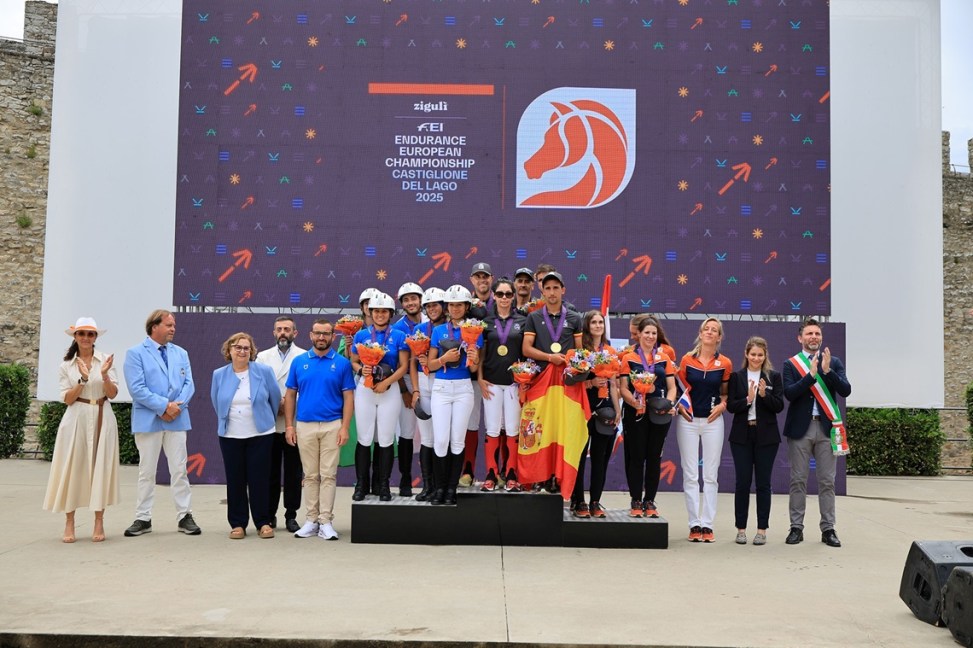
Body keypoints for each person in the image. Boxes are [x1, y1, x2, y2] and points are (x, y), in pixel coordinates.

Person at [122, 309, 201, 537]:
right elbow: (137, 388)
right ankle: (143, 517)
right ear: (154, 326)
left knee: (179, 469)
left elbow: (189, 385)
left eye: (173, 325)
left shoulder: (181, 353)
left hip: (177, 419)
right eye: (168, 325)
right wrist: (164, 407)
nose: (173, 329)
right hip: (149, 420)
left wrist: (176, 408)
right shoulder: (136, 353)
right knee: (147, 471)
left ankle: (185, 516)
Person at [43, 317, 120, 543]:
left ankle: (99, 520)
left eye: (90, 334)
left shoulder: (105, 360)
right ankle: (69, 522)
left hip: (102, 415)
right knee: (72, 468)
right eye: (82, 333)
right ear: (75, 337)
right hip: (76, 416)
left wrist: (104, 375)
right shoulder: (66, 365)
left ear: (95, 337)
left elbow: (113, 394)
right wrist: (83, 380)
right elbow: (67, 399)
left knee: (100, 467)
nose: (86, 338)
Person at [782, 317, 852, 548]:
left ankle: (828, 529)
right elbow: (789, 393)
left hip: (826, 428)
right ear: (800, 338)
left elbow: (846, 390)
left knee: (827, 481)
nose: (814, 337)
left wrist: (827, 371)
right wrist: (810, 376)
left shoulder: (833, 361)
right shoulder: (791, 364)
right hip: (800, 429)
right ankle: (796, 528)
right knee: (798, 480)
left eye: (817, 334)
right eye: (809, 333)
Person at [284, 319, 355, 540]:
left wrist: (345, 427)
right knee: (310, 475)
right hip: (305, 425)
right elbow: (290, 395)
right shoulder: (299, 361)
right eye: (317, 333)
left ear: (333, 336)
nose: (321, 337)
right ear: (310, 335)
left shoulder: (342, 363)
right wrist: (289, 426)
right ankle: (311, 520)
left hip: (333, 424)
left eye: (326, 334)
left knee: (328, 475)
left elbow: (348, 396)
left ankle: (325, 521)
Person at [519, 271, 588, 497]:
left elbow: (579, 352)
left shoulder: (575, 318)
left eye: (555, 288)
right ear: (542, 291)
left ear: (563, 290)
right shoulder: (534, 317)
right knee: (542, 427)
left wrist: (575, 365)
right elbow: (526, 349)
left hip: (566, 382)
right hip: (542, 380)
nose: (551, 292)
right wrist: (550, 357)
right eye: (547, 288)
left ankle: (558, 477)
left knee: (563, 428)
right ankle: (540, 476)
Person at [211, 332, 281, 539]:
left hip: (261, 434)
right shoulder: (219, 374)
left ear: (251, 351)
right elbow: (217, 402)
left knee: (260, 479)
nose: (242, 351)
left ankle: (263, 522)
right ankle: (238, 523)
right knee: (235, 480)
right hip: (230, 436)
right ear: (229, 350)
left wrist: (264, 420)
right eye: (238, 347)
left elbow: (275, 399)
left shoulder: (264, 371)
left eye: (246, 348)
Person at [675, 317, 732, 543]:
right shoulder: (687, 360)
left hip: (712, 422)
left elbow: (725, 393)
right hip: (688, 421)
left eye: (714, 330)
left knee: (710, 475)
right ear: (700, 333)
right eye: (706, 329)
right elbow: (679, 389)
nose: (709, 332)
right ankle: (694, 524)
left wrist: (723, 405)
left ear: (719, 337)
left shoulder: (725, 363)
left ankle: (707, 524)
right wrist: (680, 406)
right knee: (690, 474)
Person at [349, 292, 410, 501]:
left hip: (388, 390)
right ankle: (361, 485)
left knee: (385, 439)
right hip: (365, 390)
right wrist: (361, 370)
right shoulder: (361, 335)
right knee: (364, 438)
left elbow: (403, 366)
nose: (380, 314)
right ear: (370, 312)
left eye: (384, 311)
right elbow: (353, 361)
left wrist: (386, 382)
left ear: (391, 313)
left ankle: (384, 486)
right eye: (376, 311)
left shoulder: (399, 335)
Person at [725, 337, 784, 545]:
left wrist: (764, 395)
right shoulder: (737, 377)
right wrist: (748, 400)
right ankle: (741, 529)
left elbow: (779, 406)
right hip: (741, 436)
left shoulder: (773, 377)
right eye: (753, 354)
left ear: (765, 355)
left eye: (760, 355)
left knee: (763, 484)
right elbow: (731, 406)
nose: (756, 358)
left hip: (766, 437)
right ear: (746, 354)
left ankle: (761, 530)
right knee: (742, 483)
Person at [427, 284, 481, 505]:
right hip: (441, 388)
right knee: (441, 440)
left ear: (467, 307)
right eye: (451, 304)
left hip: (463, 389)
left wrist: (474, 357)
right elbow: (430, 365)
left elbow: (474, 369)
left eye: (459, 305)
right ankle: (439, 488)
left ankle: (451, 489)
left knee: (457, 441)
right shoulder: (439, 331)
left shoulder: (474, 330)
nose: (455, 308)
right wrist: (444, 359)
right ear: (447, 307)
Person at [618, 316, 676, 519]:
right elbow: (623, 388)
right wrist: (633, 402)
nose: (650, 336)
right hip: (635, 412)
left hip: (658, 413)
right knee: (636, 457)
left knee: (654, 457)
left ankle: (649, 500)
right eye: (647, 333)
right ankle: (636, 499)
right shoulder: (628, 358)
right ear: (639, 334)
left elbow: (672, 387)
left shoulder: (664, 358)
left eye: (653, 333)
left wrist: (668, 404)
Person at [569, 310, 622, 518]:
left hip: (605, 407)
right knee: (580, 456)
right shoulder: (580, 351)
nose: (598, 325)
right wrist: (590, 382)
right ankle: (579, 500)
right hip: (583, 406)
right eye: (594, 322)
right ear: (587, 326)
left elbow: (614, 384)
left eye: (601, 322)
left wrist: (617, 410)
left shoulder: (610, 351)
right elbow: (571, 382)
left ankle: (595, 501)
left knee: (600, 457)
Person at [255, 316, 305, 534]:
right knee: (270, 472)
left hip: (295, 423)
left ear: (295, 333)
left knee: (294, 472)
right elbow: (258, 387)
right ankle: (269, 514)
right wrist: (277, 404)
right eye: (279, 329)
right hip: (270, 421)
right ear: (274, 333)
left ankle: (291, 515)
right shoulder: (262, 357)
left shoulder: (304, 356)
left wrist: (289, 405)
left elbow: (307, 387)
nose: (283, 333)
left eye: (287, 329)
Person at [477, 278, 527, 491]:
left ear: (513, 296)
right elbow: (481, 353)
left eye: (508, 294)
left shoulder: (523, 321)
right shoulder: (486, 322)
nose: (504, 298)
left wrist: (525, 379)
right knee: (492, 429)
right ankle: (491, 473)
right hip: (491, 382)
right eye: (500, 294)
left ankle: (511, 473)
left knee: (513, 429)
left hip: (514, 383)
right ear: (494, 296)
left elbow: (525, 352)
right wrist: (480, 377)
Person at [410, 287, 446, 500]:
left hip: (444, 382)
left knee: (444, 438)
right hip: (423, 383)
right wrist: (415, 390)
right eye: (429, 306)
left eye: (436, 305)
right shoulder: (420, 329)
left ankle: (443, 486)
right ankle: (428, 486)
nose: (432, 309)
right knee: (427, 438)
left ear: (444, 307)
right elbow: (413, 363)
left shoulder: (452, 328)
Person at [392, 282, 425, 496]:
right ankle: (405, 479)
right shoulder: (397, 328)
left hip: (430, 380)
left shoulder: (432, 321)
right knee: (406, 433)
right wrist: (404, 390)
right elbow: (397, 363)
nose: (411, 303)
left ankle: (431, 481)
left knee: (431, 434)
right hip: (405, 380)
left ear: (421, 300)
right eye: (406, 300)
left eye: (414, 298)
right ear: (402, 304)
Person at [462, 261, 494, 486]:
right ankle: (468, 471)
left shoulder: (502, 301)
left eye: (485, 276)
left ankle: (498, 473)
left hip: (496, 374)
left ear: (491, 279)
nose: (482, 280)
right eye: (478, 276)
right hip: (471, 375)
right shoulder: (464, 305)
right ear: (471, 280)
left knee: (498, 426)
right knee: (470, 424)